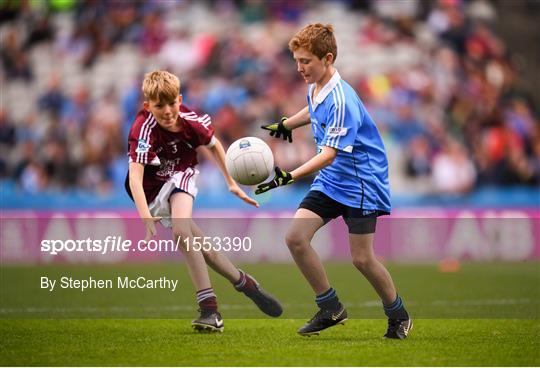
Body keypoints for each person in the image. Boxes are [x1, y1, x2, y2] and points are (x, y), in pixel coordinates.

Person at [257, 24, 411, 339]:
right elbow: (314, 109)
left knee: (362, 259)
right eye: (297, 61)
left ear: (327, 59)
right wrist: (288, 123)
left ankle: (399, 315)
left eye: (306, 61)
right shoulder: (316, 84)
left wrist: (290, 176)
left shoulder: (342, 100)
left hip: (361, 183)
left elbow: (328, 154)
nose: (299, 68)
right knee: (296, 238)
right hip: (333, 180)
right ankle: (330, 308)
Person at [126, 70, 282, 332]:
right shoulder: (143, 129)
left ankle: (209, 311)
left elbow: (214, 145)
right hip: (152, 189)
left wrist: (231, 182)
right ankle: (245, 283)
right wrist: (144, 215)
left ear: (180, 98)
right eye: (159, 106)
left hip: (181, 175)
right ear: (147, 106)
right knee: (204, 249)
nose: (167, 111)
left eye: (172, 103)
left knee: (181, 231)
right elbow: (134, 177)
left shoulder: (190, 121)